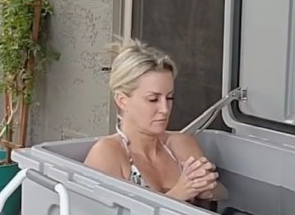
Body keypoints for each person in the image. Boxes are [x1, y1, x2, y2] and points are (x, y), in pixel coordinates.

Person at [85, 39, 227, 203]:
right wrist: (179, 194)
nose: (165, 109)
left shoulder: (181, 144)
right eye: (153, 99)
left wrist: (208, 189)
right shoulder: (108, 154)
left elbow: (224, 196)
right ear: (122, 101)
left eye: (169, 97)